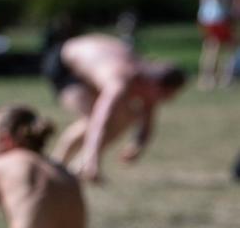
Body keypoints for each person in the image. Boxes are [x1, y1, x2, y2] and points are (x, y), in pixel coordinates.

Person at [43, 33, 186, 182]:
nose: (168, 100)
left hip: (91, 62)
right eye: (166, 95)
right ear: (155, 85)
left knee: (126, 115)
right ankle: (55, 166)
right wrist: (94, 159)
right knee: (91, 120)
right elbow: (101, 119)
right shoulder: (119, 80)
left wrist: (137, 145)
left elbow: (147, 117)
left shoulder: (147, 80)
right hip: (65, 64)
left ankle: (78, 166)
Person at [198, 0, 236, 89]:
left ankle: (207, 77)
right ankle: (220, 78)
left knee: (210, 47)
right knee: (222, 48)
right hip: (219, 16)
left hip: (206, 16)